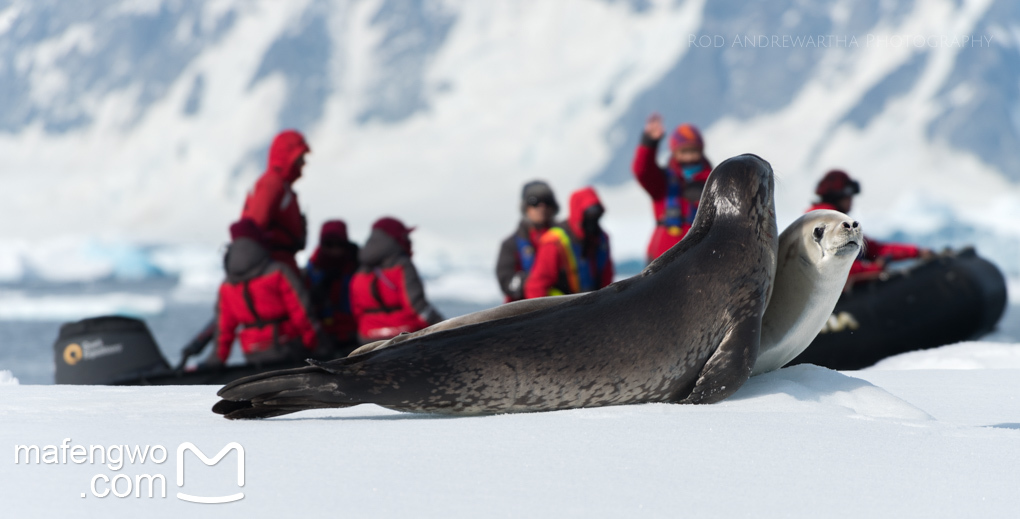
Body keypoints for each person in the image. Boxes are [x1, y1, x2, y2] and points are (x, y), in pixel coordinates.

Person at [208, 219, 319, 366]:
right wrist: (317, 346)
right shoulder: (279, 272)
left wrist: (215, 362)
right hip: (289, 351)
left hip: (253, 355)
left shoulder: (227, 286)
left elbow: (224, 330)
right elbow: (302, 313)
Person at [809, 169, 935, 282]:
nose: (852, 201)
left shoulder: (820, 219)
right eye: (849, 196)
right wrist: (873, 268)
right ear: (840, 196)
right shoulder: (827, 224)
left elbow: (873, 249)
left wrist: (916, 252)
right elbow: (834, 266)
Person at [632, 113, 712, 263]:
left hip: (700, 261)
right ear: (675, 152)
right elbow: (642, 170)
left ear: (701, 151)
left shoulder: (712, 183)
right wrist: (649, 142)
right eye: (683, 151)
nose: (688, 157)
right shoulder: (663, 182)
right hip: (661, 263)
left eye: (693, 151)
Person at [350, 217, 443, 342]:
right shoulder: (402, 266)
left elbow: (356, 310)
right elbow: (417, 306)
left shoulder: (360, 271)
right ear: (396, 237)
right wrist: (444, 327)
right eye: (405, 235)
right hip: (403, 335)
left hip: (368, 337)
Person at [241, 129, 311, 274]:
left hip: (282, 267)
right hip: (273, 270)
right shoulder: (272, 185)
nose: (304, 163)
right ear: (288, 156)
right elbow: (253, 227)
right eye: (300, 157)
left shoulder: (283, 188)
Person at [524, 187, 614, 298]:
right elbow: (536, 287)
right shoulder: (554, 241)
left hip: (592, 308)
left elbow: (607, 278)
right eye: (588, 213)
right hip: (560, 309)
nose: (592, 218)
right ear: (578, 213)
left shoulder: (601, 240)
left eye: (596, 212)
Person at [495, 180, 560, 302]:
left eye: (547, 201)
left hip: (562, 309)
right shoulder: (510, 245)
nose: (542, 207)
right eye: (534, 202)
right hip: (522, 312)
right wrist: (537, 281)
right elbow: (506, 281)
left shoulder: (564, 239)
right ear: (525, 207)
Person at [305, 220, 360, 355]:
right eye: (329, 244)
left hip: (355, 334)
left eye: (339, 244)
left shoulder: (357, 265)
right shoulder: (312, 270)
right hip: (325, 337)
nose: (335, 249)